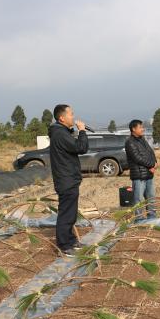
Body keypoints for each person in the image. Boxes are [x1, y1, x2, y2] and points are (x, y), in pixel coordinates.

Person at [49, 104, 89, 255]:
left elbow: (71, 146)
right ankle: (64, 246)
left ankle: (71, 241)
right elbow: (81, 147)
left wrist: (73, 130)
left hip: (68, 179)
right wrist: (82, 131)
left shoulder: (61, 132)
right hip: (66, 180)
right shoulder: (60, 134)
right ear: (62, 117)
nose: (73, 117)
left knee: (70, 213)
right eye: (71, 114)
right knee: (66, 214)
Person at [125, 119, 157, 222]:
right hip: (139, 176)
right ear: (133, 129)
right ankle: (139, 219)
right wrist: (151, 165)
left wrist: (155, 163)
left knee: (151, 198)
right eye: (140, 127)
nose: (142, 129)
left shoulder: (142, 139)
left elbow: (150, 152)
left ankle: (152, 217)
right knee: (138, 199)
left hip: (148, 174)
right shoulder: (129, 142)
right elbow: (137, 158)